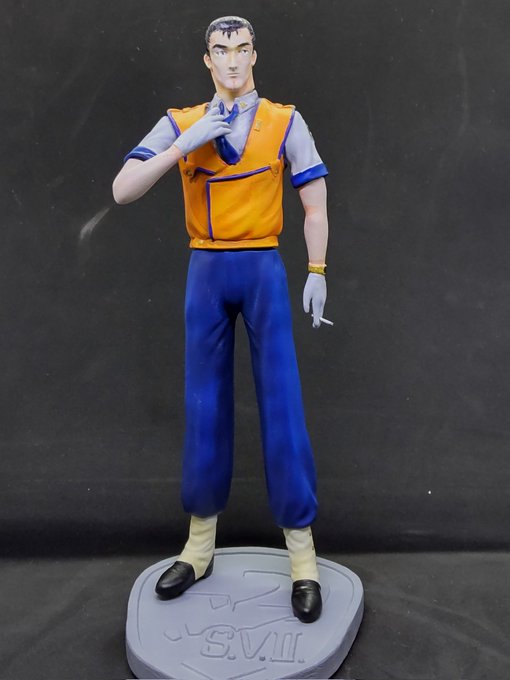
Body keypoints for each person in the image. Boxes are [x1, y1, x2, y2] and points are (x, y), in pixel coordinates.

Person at [112, 15, 329, 623]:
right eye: (220, 50)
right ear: (206, 59)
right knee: (204, 405)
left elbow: (314, 202)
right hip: (205, 270)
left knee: (282, 403)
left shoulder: (285, 121)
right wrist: (183, 145)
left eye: (241, 49)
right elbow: (123, 189)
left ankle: (303, 555)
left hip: (262, 269)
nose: (232, 60)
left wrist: (317, 269)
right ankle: (199, 546)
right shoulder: (181, 122)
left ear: (255, 54)